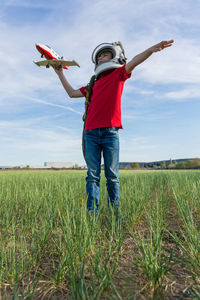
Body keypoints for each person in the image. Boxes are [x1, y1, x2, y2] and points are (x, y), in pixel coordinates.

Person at [53, 39, 174, 215]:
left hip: (111, 133)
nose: (101, 58)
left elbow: (135, 61)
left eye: (105, 54)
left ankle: (114, 214)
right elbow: (72, 93)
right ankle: (91, 215)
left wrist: (152, 49)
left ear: (114, 56)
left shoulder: (119, 75)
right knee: (92, 176)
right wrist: (60, 74)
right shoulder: (92, 84)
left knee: (112, 176)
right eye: (99, 56)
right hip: (91, 134)